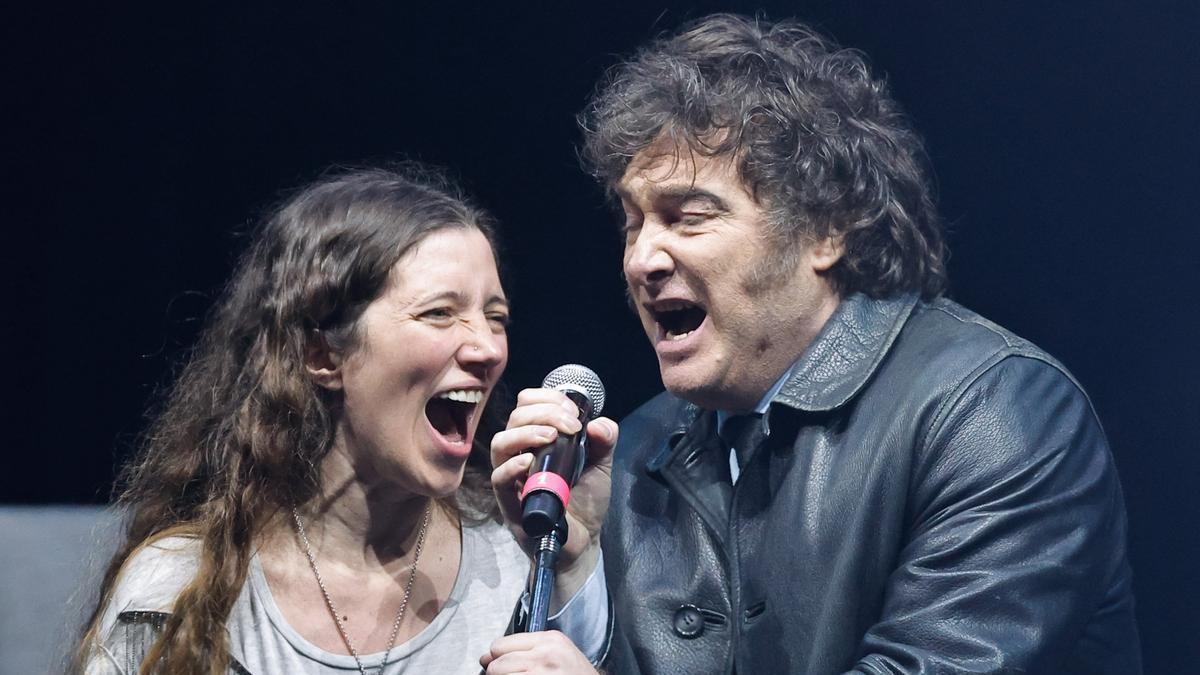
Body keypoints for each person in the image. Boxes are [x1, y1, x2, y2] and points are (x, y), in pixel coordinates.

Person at [490, 13, 1142, 674]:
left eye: (687, 216)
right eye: (632, 224)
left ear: (825, 231)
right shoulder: (626, 459)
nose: (642, 260)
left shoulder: (995, 411)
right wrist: (577, 567)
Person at [75, 165, 600, 674]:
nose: (488, 348)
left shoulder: (525, 569)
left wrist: (574, 566)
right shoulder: (178, 598)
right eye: (439, 312)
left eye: (496, 318)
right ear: (321, 353)